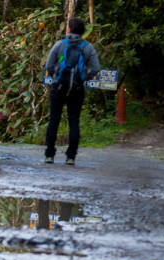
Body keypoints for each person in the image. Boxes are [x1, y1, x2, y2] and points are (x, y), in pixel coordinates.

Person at [43, 18, 101, 165]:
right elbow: (95, 68)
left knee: (53, 120)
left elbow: (49, 66)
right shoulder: (88, 48)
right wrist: (83, 78)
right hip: (77, 88)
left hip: (59, 88)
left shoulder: (59, 45)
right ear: (83, 31)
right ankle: (71, 157)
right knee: (74, 122)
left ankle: (49, 155)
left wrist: (56, 78)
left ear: (69, 29)